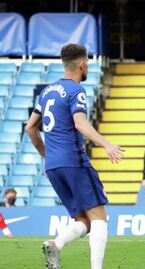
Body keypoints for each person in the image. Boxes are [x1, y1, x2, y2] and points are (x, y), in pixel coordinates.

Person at [24, 43, 124, 269]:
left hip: (53, 166)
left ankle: (55, 245)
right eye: (87, 62)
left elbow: (31, 127)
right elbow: (80, 123)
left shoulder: (47, 91)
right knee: (100, 218)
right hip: (74, 161)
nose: (87, 66)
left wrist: (47, 156)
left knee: (83, 220)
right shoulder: (75, 90)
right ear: (81, 64)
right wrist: (106, 143)